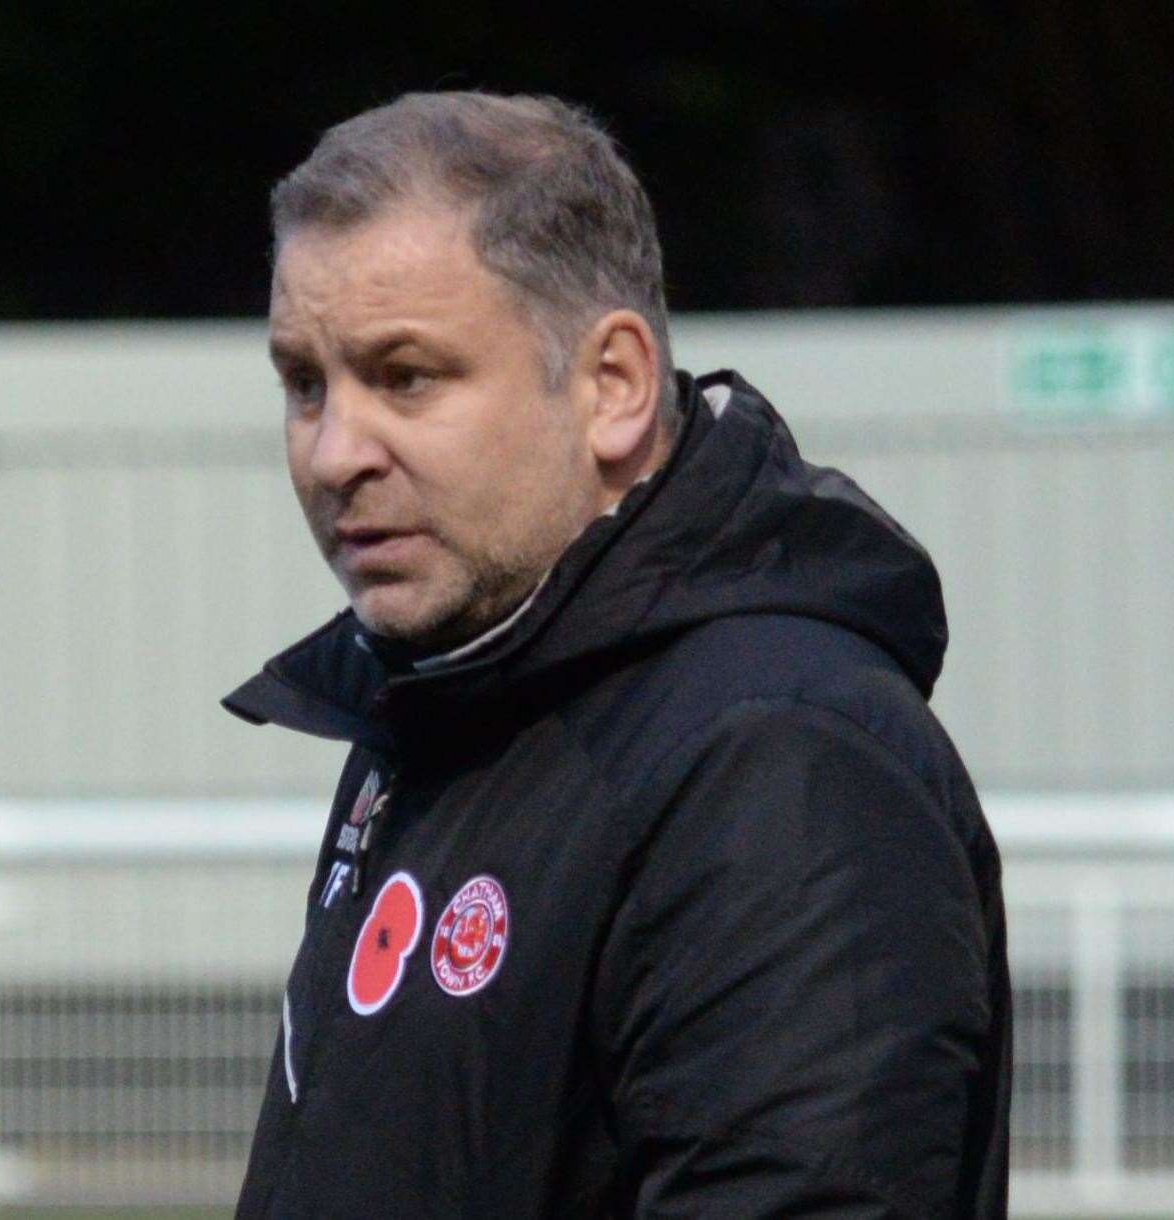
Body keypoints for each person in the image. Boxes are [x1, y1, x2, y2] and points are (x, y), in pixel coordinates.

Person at [223, 92, 1010, 1217]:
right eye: (305, 383)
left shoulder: (778, 758)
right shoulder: (451, 695)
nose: (336, 451)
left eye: (405, 376)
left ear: (612, 387)